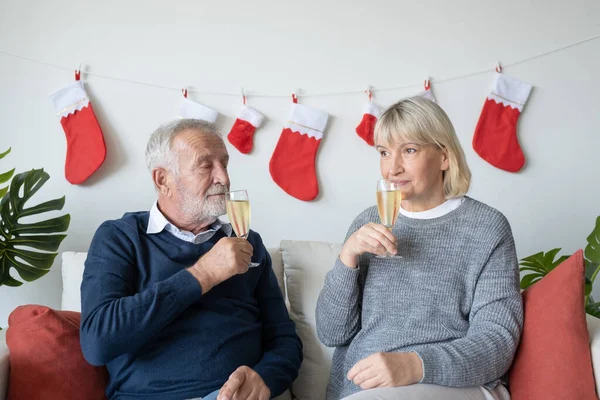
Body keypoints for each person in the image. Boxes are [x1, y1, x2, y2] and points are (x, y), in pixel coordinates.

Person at [315, 97, 523, 400]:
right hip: (363, 389)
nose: (392, 168)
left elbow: (497, 341)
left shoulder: (486, 227)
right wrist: (347, 257)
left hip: (453, 382)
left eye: (409, 150)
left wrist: (415, 364)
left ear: (444, 157)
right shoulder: (368, 222)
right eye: (384, 153)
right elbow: (332, 333)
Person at [80, 119, 302, 400]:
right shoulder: (120, 238)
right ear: (163, 180)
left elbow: (284, 339)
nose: (223, 177)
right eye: (206, 165)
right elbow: (97, 342)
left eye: (224, 163)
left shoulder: (247, 242)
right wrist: (202, 274)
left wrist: (266, 378)